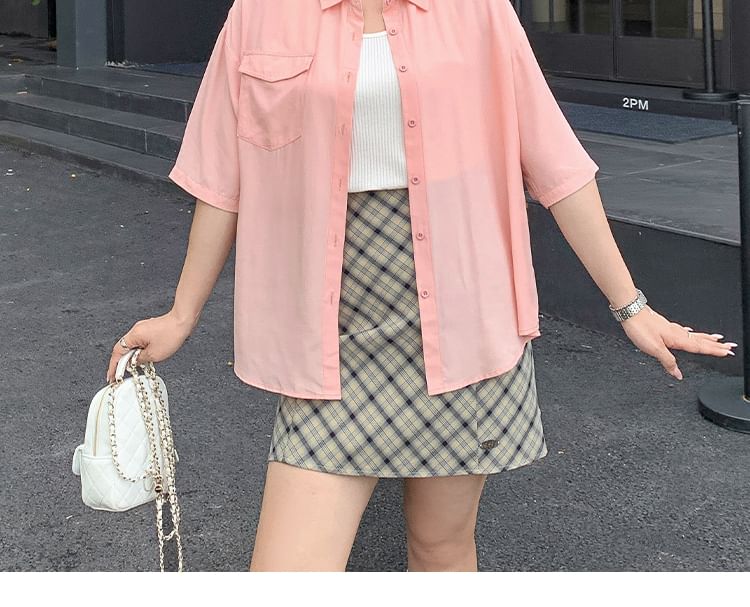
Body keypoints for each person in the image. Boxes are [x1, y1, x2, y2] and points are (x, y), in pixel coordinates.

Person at [105, 0, 736, 572]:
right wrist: (181, 313)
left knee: (440, 547)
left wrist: (631, 306)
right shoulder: (261, 13)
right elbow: (221, 179)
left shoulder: (478, 11)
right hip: (330, 331)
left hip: (462, 321)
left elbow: (556, 165)